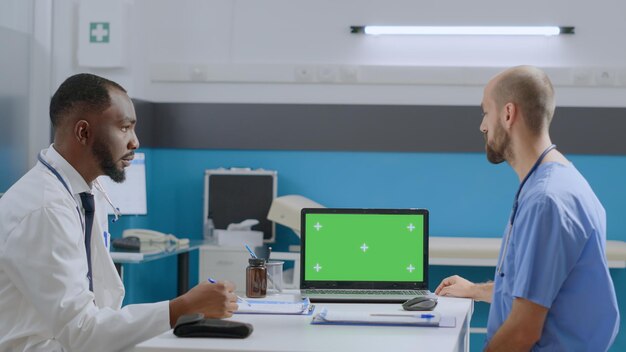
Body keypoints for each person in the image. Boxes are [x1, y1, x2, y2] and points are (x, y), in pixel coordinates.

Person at [0, 73, 239, 351]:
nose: (135, 142)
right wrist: (181, 308)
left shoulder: (87, 191)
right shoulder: (43, 209)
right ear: (83, 132)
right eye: (124, 128)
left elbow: (96, 312)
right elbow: (80, 332)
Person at [435, 66, 619, 351]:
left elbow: (523, 331)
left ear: (507, 114)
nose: (482, 126)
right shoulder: (562, 180)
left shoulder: (546, 201)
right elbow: (541, 290)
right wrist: (474, 290)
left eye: (486, 112)